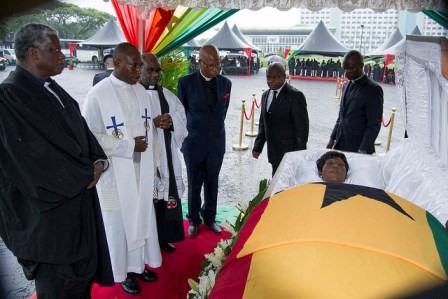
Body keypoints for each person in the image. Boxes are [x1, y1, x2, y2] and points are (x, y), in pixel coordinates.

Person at [0, 23, 114, 298]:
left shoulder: (51, 88)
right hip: (50, 225)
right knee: (59, 289)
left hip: (77, 212)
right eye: (54, 49)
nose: (63, 54)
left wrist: (98, 160)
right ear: (34, 53)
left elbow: (83, 135)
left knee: (80, 285)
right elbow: (35, 162)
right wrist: (87, 172)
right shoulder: (9, 97)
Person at [83, 42, 161, 295]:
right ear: (116, 64)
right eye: (134, 65)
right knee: (119, 224)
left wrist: (156, 164)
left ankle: (139, 265)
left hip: (141, 170)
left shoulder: (142, 93)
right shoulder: (98, 94)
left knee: (142, 217)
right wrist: (127, 146)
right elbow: (90, 137)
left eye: (140, 65)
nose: (139, 70)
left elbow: (152, 134)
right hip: (115, 175)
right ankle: (122, 272)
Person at [178, 44, 232, 238]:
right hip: (193, 143)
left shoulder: (226, 84)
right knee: (194, 182)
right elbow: (181, 114)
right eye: (209, 65)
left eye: (217, 64)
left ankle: (210, 217)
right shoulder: (185, 83)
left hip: (216, 142)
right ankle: (193, 219)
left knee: (212, 182)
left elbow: (222, 112)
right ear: (199, 62)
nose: (214, 69)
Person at [140, 53, 188, 253]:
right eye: (149, 70)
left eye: (157, 70)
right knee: (148, 201)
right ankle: (146, 244)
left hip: (167, 158)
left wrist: (171, 122)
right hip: (144, 159)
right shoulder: (133, 95)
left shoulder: (167, 95)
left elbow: (182, 119)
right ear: (139, 69)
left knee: (167, 197)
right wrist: (151, 124)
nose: (155, 74)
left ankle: (164, 237)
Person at [252, 62, 309, 176]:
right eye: (268, 77)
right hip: (273, 151)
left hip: (289, 152)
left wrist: (298, 155)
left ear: (284, 76)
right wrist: (258, 146)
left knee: (284, 184)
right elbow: (263, 124)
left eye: (276, 77)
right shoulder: (265, 95)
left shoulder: (295, 96)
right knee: (276, 179)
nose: (271, 80)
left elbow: (302, 130)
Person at [326, 50, 383, 154]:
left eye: (352, 68)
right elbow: (341, 117)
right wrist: (332, 138)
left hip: (359, 148)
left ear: (362, 66)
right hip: (341, 144)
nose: (348, 72)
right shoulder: (345, 86)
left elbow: (374, 125)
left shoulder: (373, 89)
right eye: (345, 69)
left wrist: (363, 150)